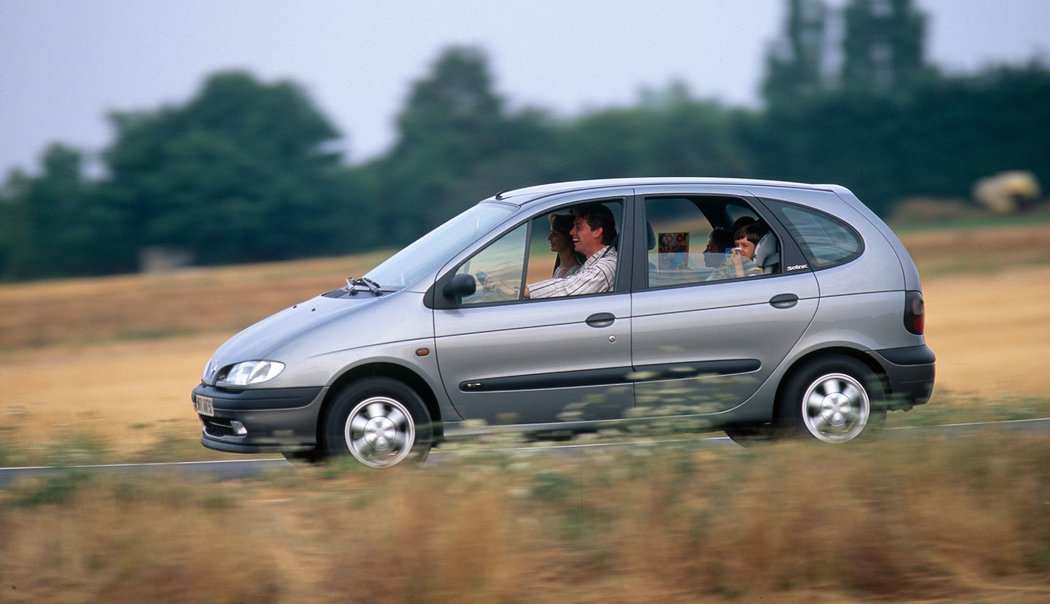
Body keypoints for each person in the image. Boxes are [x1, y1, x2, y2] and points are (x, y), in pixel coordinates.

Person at [526, 203, 617, 298]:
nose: (571, 232)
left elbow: (567, 288)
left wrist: (524, 291)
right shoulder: (589, 267)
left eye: (578, 227)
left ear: (597, 231)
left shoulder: (605, 267)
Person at [547, 213, 584, 278]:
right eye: (550, 233)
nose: (549, 238)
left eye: (555, 234)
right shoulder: (560, 268)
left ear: (568, 237)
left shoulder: (575, 272)